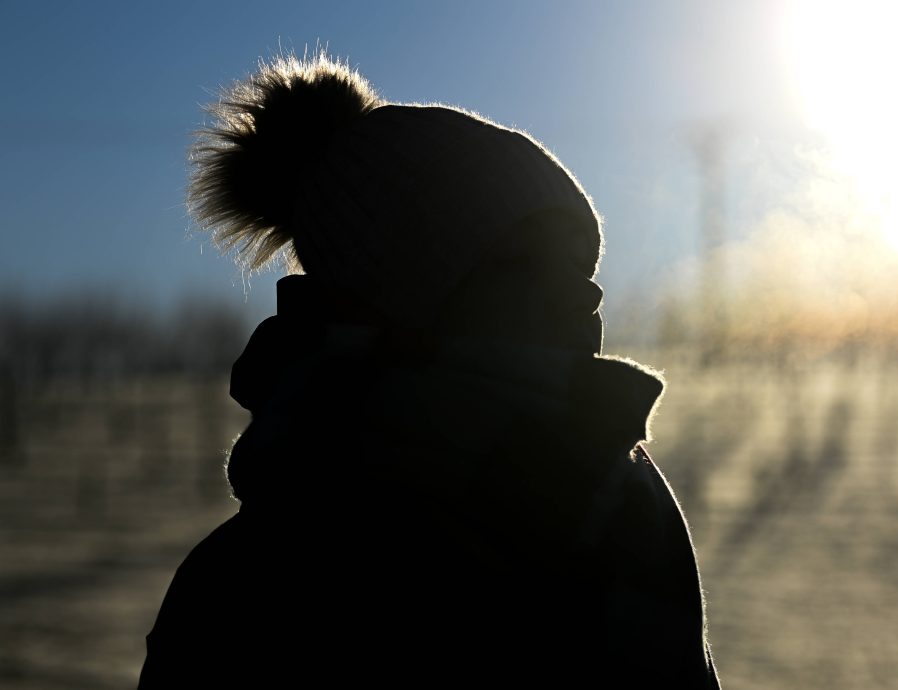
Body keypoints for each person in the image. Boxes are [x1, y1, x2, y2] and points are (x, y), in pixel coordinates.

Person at [138, 52, 720, 689]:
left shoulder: (618, 493)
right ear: (403, 291)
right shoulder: (267, 577)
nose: (587, 296)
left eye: (581, 264)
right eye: (526, 261)